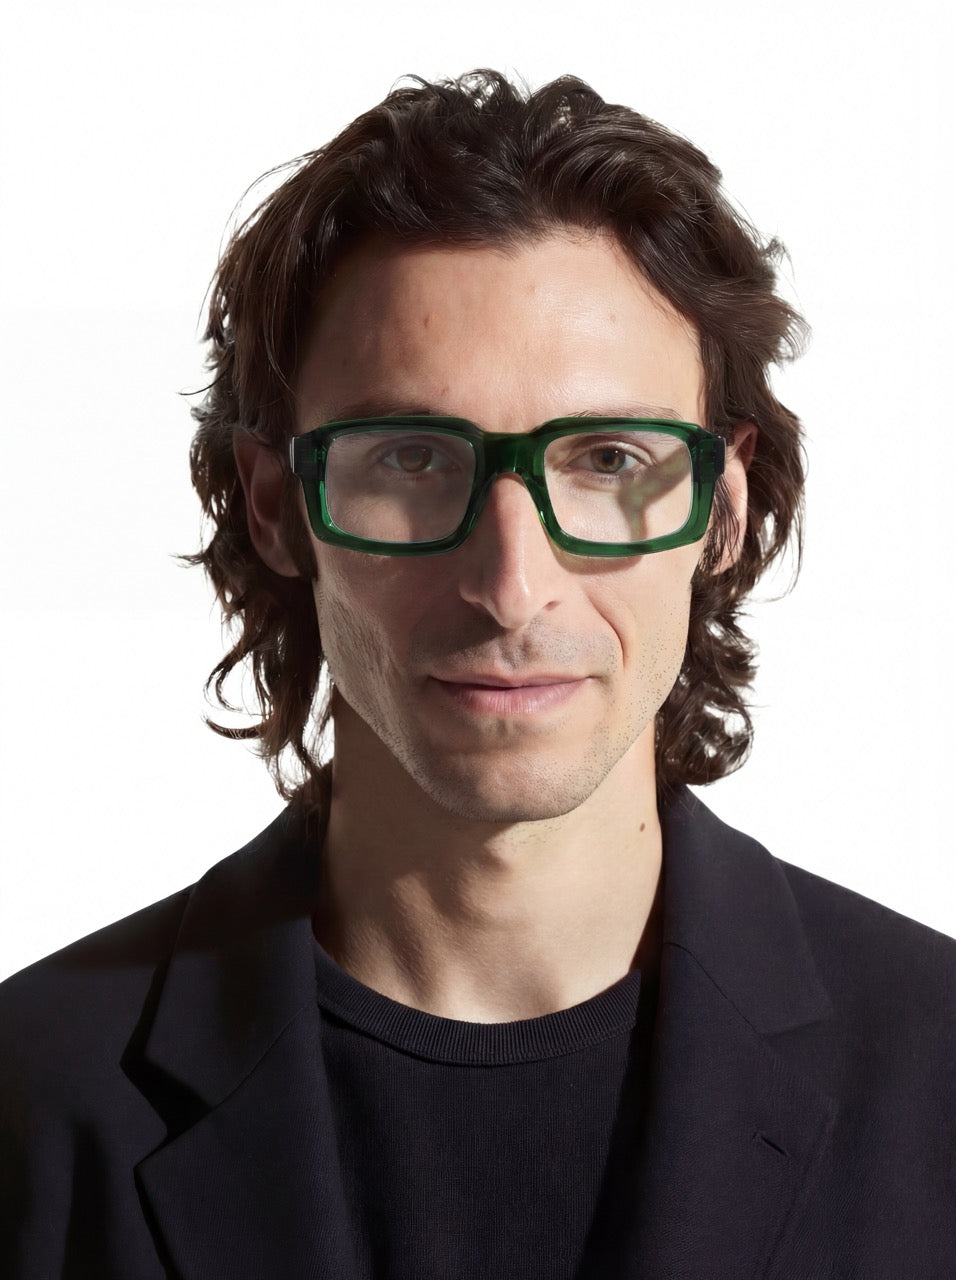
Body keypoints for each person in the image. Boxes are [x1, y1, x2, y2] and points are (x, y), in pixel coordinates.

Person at [1, 70, 953, 1280]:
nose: (511, 585)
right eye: (410, 458)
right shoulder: (31, 1096)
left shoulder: (935, 1070)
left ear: (721, 507)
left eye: (608, 458)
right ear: (276, 505)